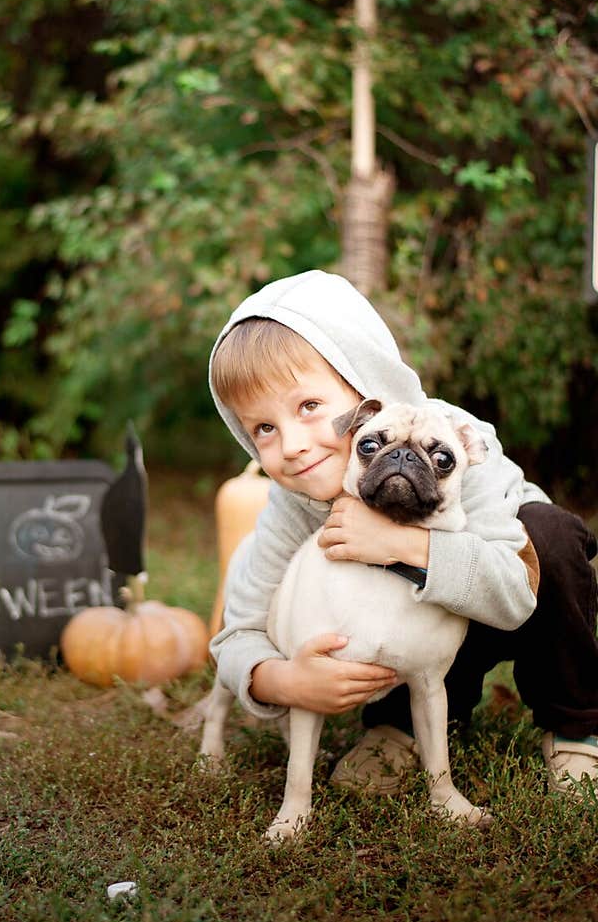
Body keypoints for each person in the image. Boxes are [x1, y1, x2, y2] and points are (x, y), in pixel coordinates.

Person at [208, 270, 598, 797]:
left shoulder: (459, 440)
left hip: (515, 599)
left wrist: (401, 545)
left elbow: (514, 592)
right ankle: (400, 725)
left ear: (363, 384)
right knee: (376, 605)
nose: (294, 444)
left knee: (549, 534)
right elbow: (239, 628)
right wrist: (279, 679)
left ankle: (575, 727)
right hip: (407, 640)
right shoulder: (290, 502)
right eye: (263, 429)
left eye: (309, 407)